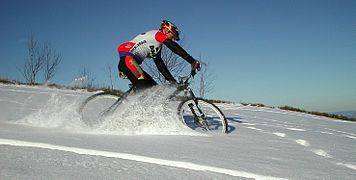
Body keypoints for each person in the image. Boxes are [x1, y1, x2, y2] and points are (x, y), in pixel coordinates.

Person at [117, 20, 200, 89]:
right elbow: (174, 47)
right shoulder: (157, 34)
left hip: (130, 62)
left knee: (154, 88)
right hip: (128, 59)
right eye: (172, 35)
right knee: (144, 90)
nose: (172, 39)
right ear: (166, 30)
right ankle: (134, 108)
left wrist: (172, 82)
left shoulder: (156, 45)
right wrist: (192, 61)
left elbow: (160, 64)